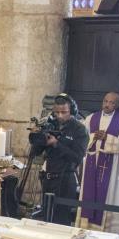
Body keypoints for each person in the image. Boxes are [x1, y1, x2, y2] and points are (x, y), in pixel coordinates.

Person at [76, 91, 119, 235]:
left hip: (111, 163)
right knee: (89, 191)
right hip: (91, 161)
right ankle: (86, 225)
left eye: (112, 102)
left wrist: (107, 137)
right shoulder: (91, 118)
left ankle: (108, 229)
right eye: (105, 101)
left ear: (117, 105)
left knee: (109, 195)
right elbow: (82, 138)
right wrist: (95, 136)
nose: (107, 104)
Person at [29, 94, 88, 226]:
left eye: (64, 112)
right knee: (47, 218)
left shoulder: (79, 129)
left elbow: (77, 156)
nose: (60, 116)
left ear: (72, 111)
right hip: (48, 178)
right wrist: (38, 136)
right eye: (57, 112)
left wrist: (57, 144)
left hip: (66, 179)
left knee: (61, 219)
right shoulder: (50, 125)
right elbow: (36, 152)